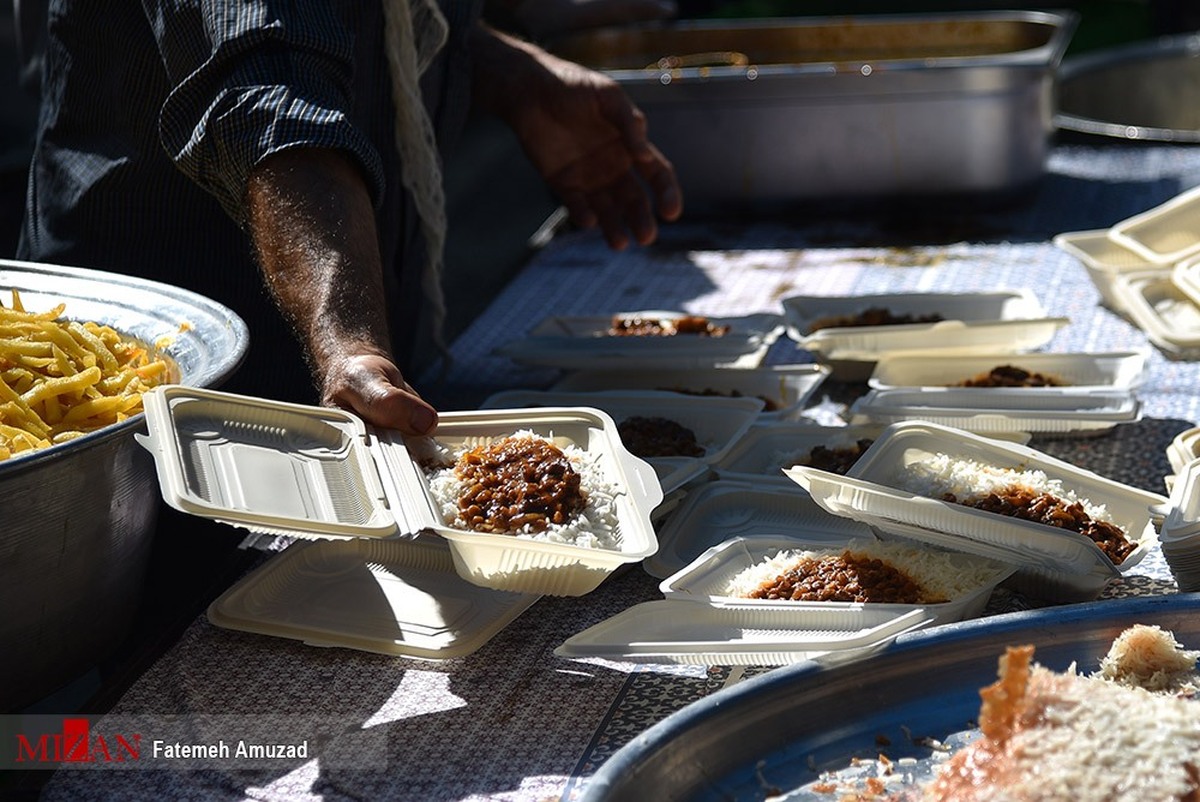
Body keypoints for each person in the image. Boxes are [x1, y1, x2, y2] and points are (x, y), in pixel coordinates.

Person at [16, 0, 682, 437]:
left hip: (352, 369)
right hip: (152, 383)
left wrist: (511, 73)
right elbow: (271, 98)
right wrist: (348, 339)